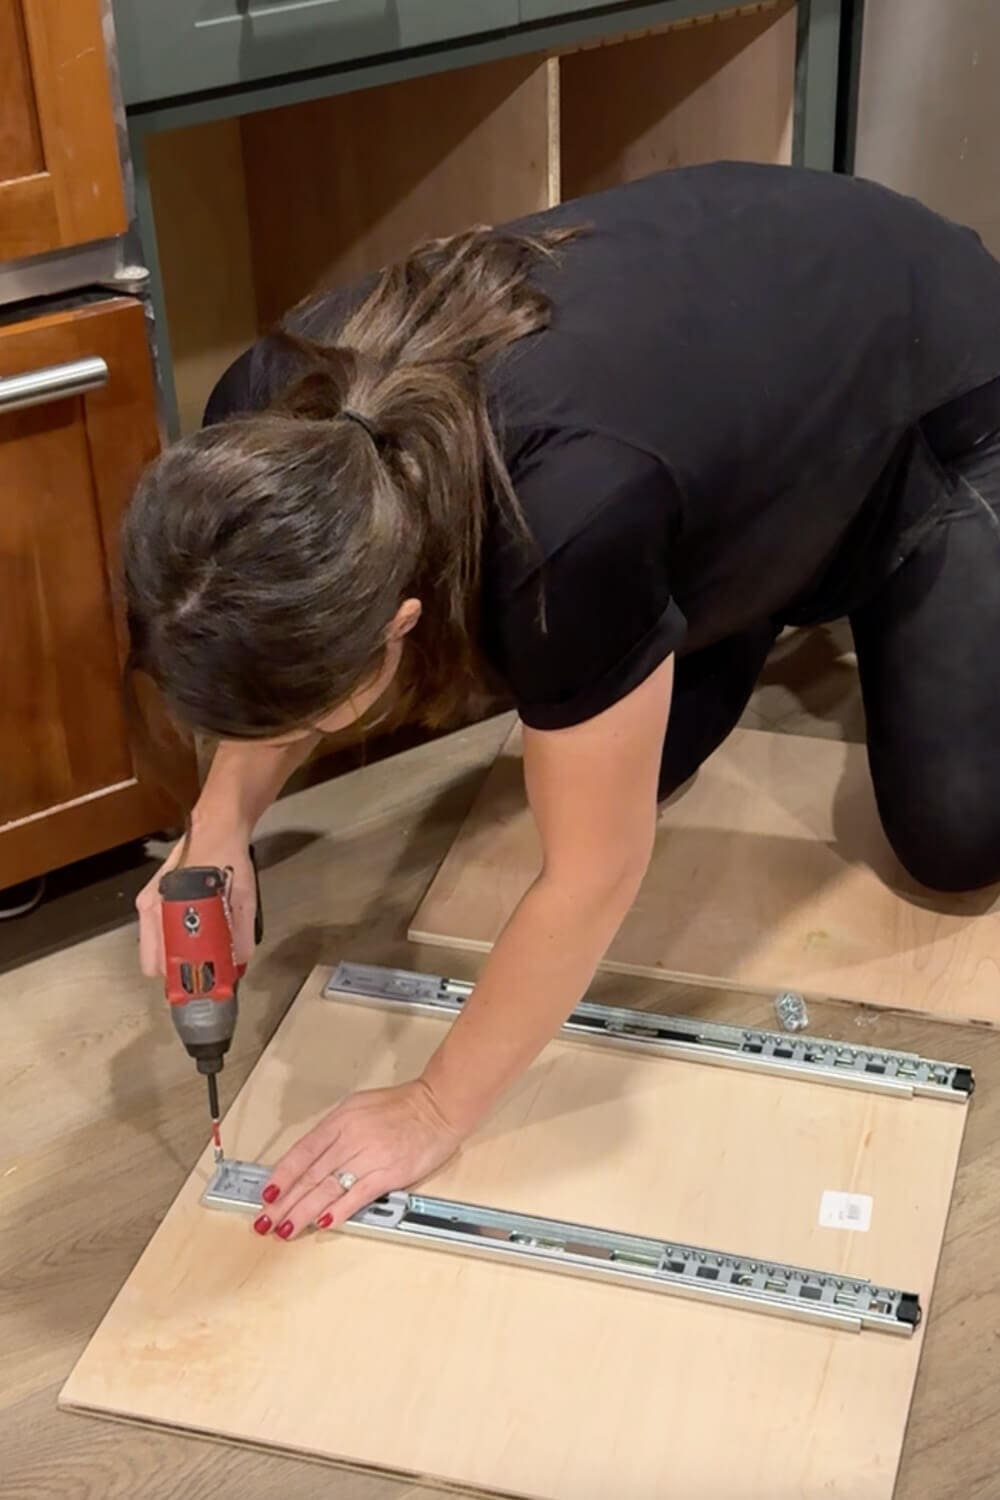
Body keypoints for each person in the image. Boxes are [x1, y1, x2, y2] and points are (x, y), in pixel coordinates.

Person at [125, 161, 1000, 1242]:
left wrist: (434, 1106)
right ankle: (753, 542)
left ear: (397, 625)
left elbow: (594, 876)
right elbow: (276, 653)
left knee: (957, 832)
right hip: (725, 384)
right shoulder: (260, 428)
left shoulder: (561, 525)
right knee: (635, 745)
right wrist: (216, 831)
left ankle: (850, 542)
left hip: (934, 368)